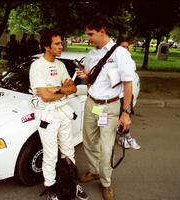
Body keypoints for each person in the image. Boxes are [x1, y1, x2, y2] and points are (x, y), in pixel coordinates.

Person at [76, 19, 136, 200]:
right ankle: (94, 171)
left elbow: (127, 85)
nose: (88, 38)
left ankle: (106, 182)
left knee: (107, 147)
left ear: (102, 31)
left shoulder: (120, 53)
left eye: (90, 34)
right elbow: (89, 79)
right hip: (92, 103)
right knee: (88, 140)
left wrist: (125, 113)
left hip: (110, 106)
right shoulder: (91, 54)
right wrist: (85, 76)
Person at [29, 30, 88, 200]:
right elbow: (45, 97)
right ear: (47, 46)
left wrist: (58, 89)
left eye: (61, 43)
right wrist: (62, 91)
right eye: (57, 44)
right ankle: (51, 188)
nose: (61, 46)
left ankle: (72, 183)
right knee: (51, 153)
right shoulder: (37, 66)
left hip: (63, 111)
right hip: (47, 115)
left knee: (69, 150)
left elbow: (73, 88)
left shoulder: (61, 66)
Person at [117, 38, 141, 150]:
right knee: (119, 117)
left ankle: (126, 137)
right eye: (123, 47)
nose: (125, 49)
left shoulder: (131, 62)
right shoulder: (115, 62)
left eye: (127, 47)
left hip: (127, 94)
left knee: (127, 115)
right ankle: (124, 137)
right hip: (117, 95)